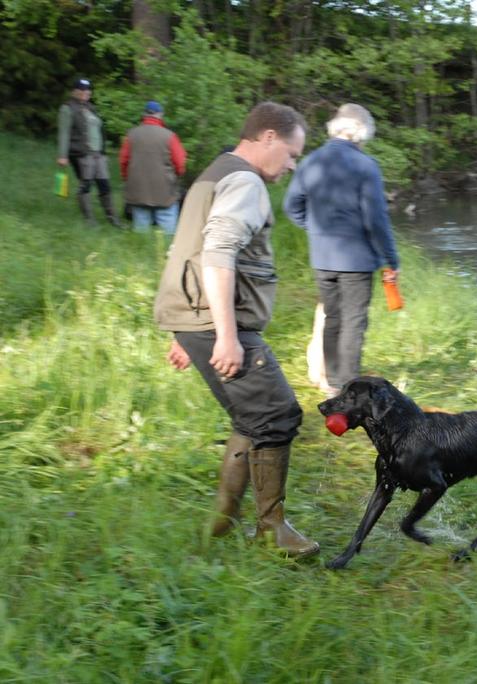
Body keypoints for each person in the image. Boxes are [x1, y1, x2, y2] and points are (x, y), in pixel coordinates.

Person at [153, 101, 318, 558]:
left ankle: (223, 522)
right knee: (278, 415)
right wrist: (223, 336)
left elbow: (184, 247)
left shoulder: (214, 172)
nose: (291, 164)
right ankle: (273, 530)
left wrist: (185, 330)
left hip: (196, 318)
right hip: (217, 322)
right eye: (290, 153)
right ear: (267, 137)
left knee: (253, 416)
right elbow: (217, 253)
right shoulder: (244, 181)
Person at [283, 103, 400, 397]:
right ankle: (348, 389)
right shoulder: (366, 166)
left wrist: (316, 230)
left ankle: (333, 384)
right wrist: (391, 257)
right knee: (353, 322)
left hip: (322, 257)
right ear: (360, 133)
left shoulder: (311, 161)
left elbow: (291, 206)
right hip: (357, 259)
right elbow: (376, 218)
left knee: (332, 318)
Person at [56, 77, 121, 227]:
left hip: (98, 153)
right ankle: (90, 220)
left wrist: (104, 151)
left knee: (104, 185)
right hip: (81, 153)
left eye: (88, 90)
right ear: (75, 91)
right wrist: (62, 155)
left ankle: (113, 219)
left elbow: (98, 130)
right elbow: (64, 133)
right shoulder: (67, 108)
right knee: (86, 185)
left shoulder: (91, 108)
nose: (85, 93)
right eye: (82, 90)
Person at [119, 100, 187, 234]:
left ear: (144, 115)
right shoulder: (170, 136)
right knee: (168, 235)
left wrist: (127, 178)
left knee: (141, 234)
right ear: (160, 115)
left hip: (138, 189)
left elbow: (123, 161)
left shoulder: (131, 135)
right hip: (164, 192)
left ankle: (141, 252)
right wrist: (177, 176)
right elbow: (180, 163)